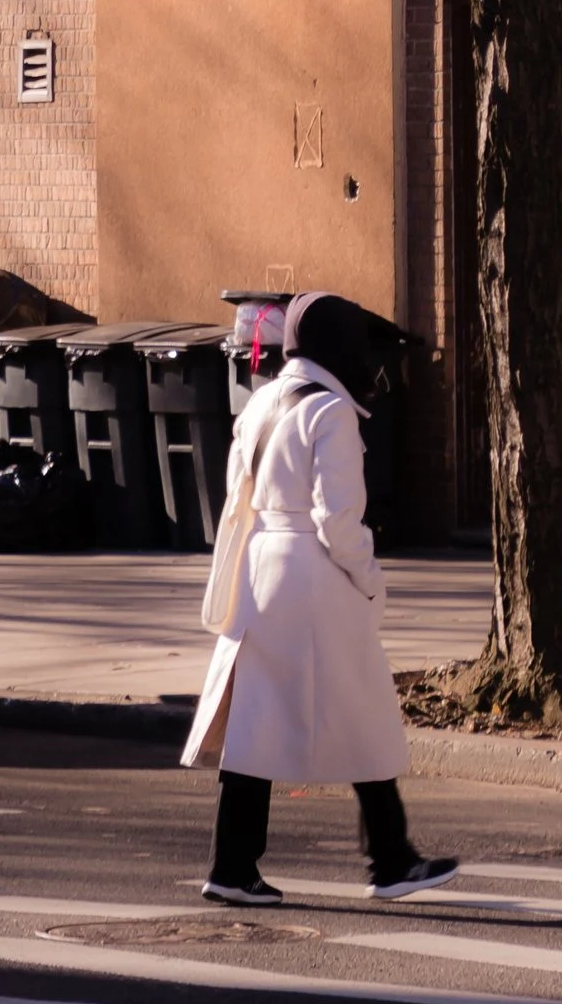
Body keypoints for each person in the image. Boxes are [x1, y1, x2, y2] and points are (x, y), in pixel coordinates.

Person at [182, 289, 456, 906]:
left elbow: (237, 495)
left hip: (262, 570)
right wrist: (367, 578)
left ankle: (232, 865)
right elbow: (338, 517)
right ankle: (390, 860)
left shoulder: (261, 404)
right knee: (365, 713)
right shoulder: (330, 412)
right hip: (314, 572)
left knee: (255, 723)